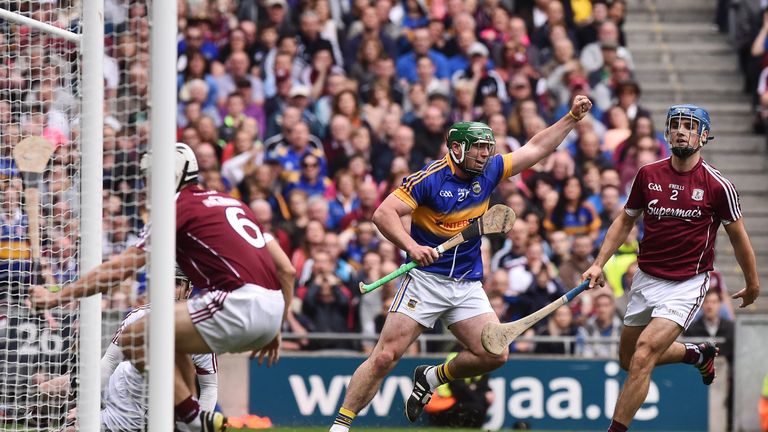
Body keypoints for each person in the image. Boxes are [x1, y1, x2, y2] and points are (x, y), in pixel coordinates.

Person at [328, 95, 593, 431]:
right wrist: (411, 246)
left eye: (488, 147)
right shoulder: (429, 179)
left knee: (495, 354)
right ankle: (341, 424)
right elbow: (384, 213)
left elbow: (536, 149)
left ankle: (433, 375)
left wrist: (571, 117)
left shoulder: (492, 169)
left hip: (466, 283)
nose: (486, 154)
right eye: (478, 148)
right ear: (456, 149)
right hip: (425, 281)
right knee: (384, 357)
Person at [31, 143, 297, 432]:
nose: (148, 186)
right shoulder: (233, 204)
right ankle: (189, 421)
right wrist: (275, 328)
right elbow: (287, 269)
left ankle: (193, 421)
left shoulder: (178, 206)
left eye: (151, 177)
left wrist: (58, 296)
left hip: (235, 302)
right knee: (171, 343)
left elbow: (120, 268)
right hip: (270, 308)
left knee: (136, 338)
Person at [581, 105, 761, 432]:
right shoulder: (648, 175)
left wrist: (753, 284)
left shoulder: (718, 186)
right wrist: (597, 263)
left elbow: (739, 237)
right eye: (675, 125)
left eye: (689, 127)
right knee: (627, 359)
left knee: (643, 356)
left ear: (704, 136)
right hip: (646, 279)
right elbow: (624, 220)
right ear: (666, 131)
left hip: (687, 284)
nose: (681, 131)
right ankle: (696, 354)